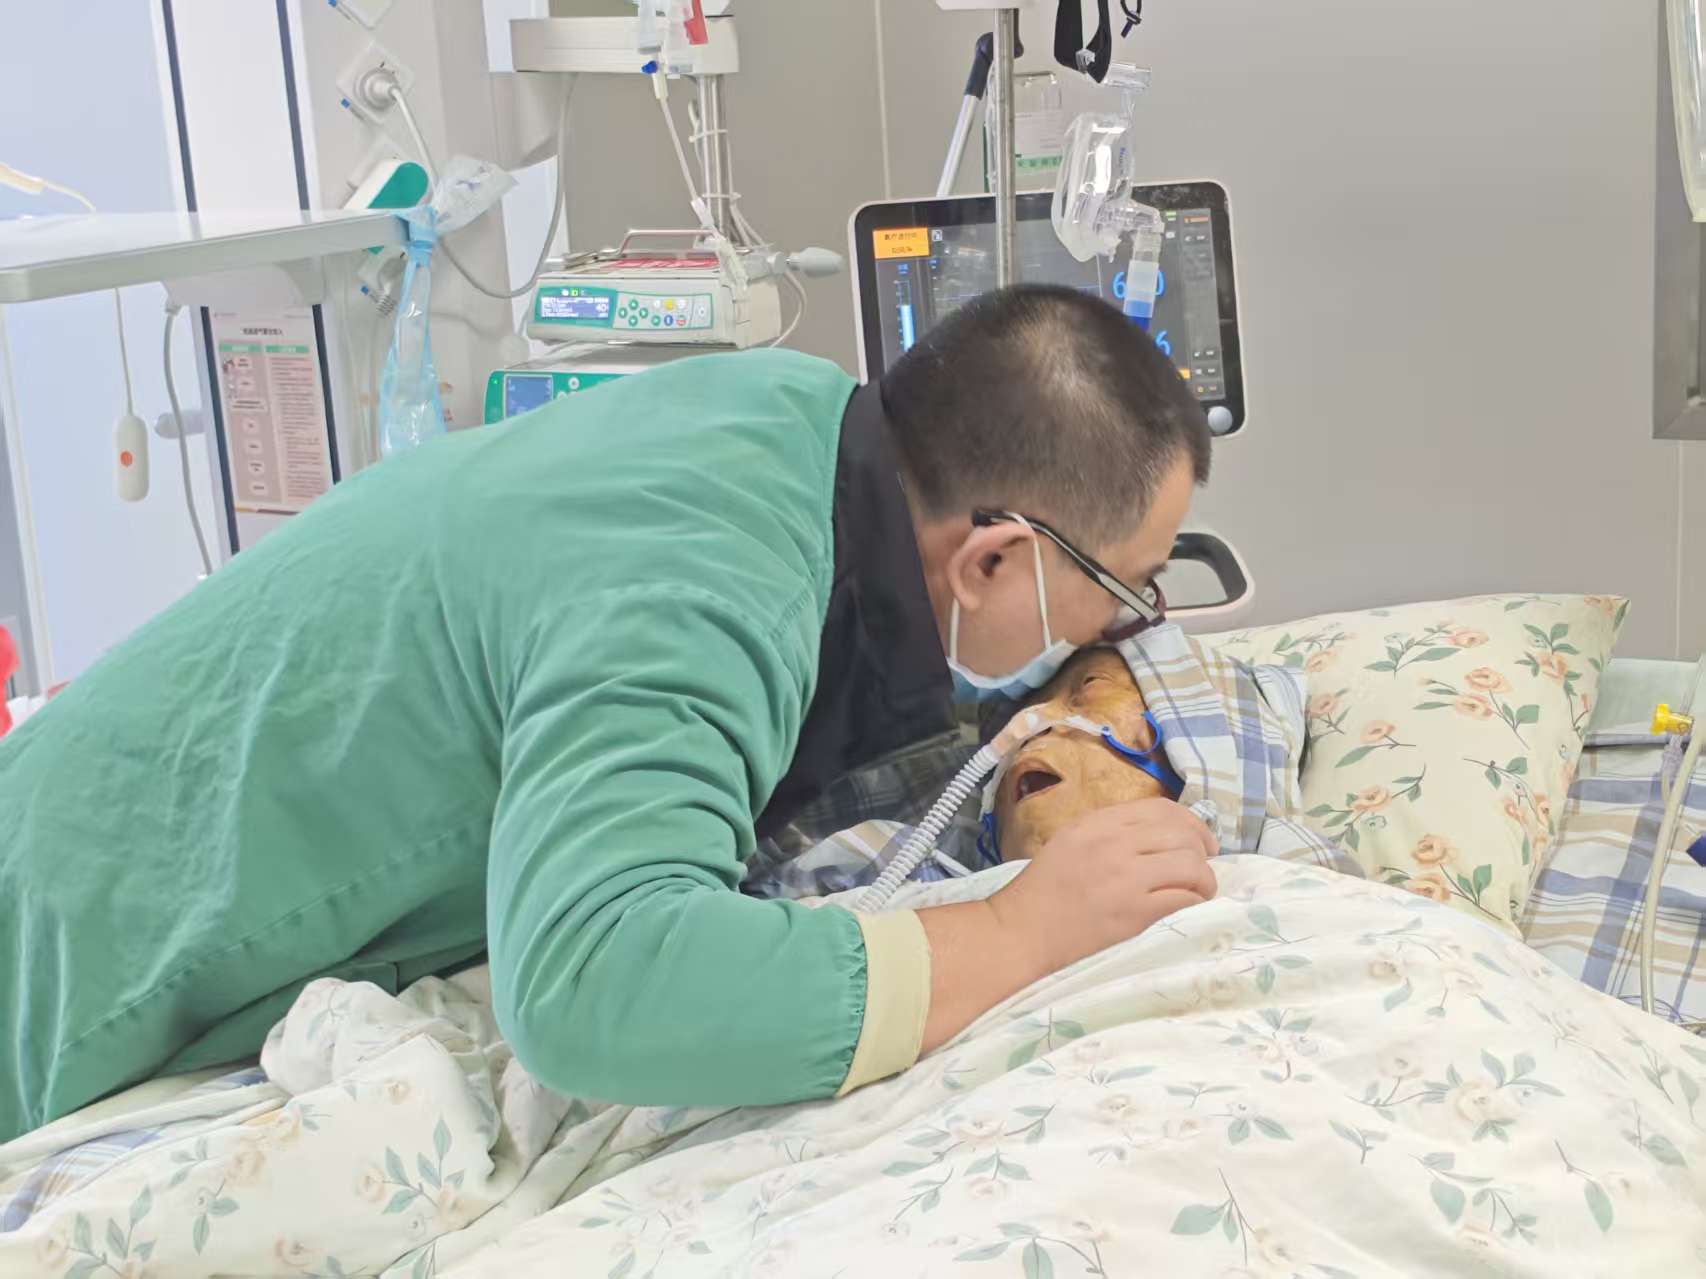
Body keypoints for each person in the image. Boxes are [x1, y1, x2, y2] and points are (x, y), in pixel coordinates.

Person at [0, 284, 1217, 1142]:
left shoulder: (788, 417)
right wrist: (1015, 932)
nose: (1120, 627)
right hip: (69, 954)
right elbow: (592, 980)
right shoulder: (704, 581)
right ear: (993, 558)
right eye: (1122, 590)